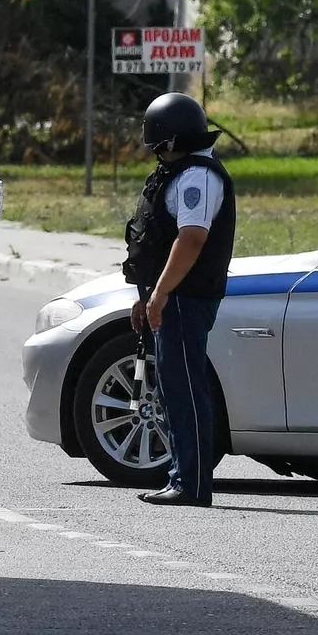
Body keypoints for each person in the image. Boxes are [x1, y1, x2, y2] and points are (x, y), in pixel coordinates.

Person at [122, 92, 236, 508]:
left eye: (156, 142)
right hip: (172, 296)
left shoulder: (197, 177)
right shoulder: (181, 172)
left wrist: (163, 293)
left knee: (185, 389)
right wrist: (148, 294)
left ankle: (191, 483)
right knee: (174, 388)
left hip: (186, 298)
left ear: (169, 140)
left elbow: (191, 240)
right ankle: (183, 477)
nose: (154, 150)